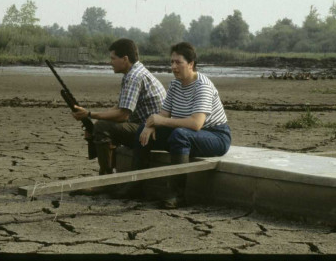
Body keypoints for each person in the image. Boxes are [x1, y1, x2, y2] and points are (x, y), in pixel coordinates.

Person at [137, 41, 231, 208]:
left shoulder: (203, 86)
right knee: (142, 131)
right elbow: (164, 115)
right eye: (171, 62)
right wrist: (150, 125)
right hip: (188, 133)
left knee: (180, 135)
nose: (173, 67)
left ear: (191, 64)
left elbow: (196, 124)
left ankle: (177, 195)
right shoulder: (175, 85)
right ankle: (136, 187)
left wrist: (161, 121)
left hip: (216, 136)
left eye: (178, 62)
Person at [71, 38, 166, 193]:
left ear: (125, 59)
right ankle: (110, 179)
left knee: (102, 127)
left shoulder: (134, 77)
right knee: (99, 126)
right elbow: (121, 107)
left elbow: (123, 115)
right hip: (147, 127)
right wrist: (91, 120)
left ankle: (106, 181)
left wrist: (89, 114)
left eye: (113, 58)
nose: (111, 62)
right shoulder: (135, 72)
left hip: (152, 132)